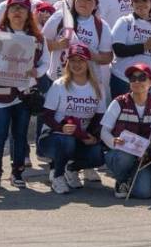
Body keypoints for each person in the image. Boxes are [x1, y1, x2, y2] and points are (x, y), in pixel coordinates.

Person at [0, 0, 47, 187]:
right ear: (7, 12)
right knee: (0, 133)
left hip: (24, 93)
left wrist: (36, 71)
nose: (17, 12)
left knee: (20, 135)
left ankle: (18, 173)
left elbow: (46, 61)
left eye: (22, 9)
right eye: (14, 9)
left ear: (28, 13)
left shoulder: (37, 37)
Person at [40, 44, 106, 194]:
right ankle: (58, 176)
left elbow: (99, 117)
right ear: (67, 63)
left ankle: (71, 168)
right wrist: (60, 128)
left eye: (81, 60)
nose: (77, 64)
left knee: (99, 155)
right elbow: (47, 115)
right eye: (73, 60)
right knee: (67, 140)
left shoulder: (97, 87)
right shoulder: (59, 85)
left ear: (88, 63)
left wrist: (93, 136)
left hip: (80, 138)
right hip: (53, 137)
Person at [100, 63, 151, 198]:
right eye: (133, 78)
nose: (137, 81)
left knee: (144, 194)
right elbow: (104, 132)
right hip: (120, 153)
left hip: (143, 157)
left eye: (142, 78)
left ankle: (134, 177)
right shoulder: (119, 102)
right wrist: (113, 141)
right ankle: (122, 180)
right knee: (124, 157)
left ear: (150, 82)